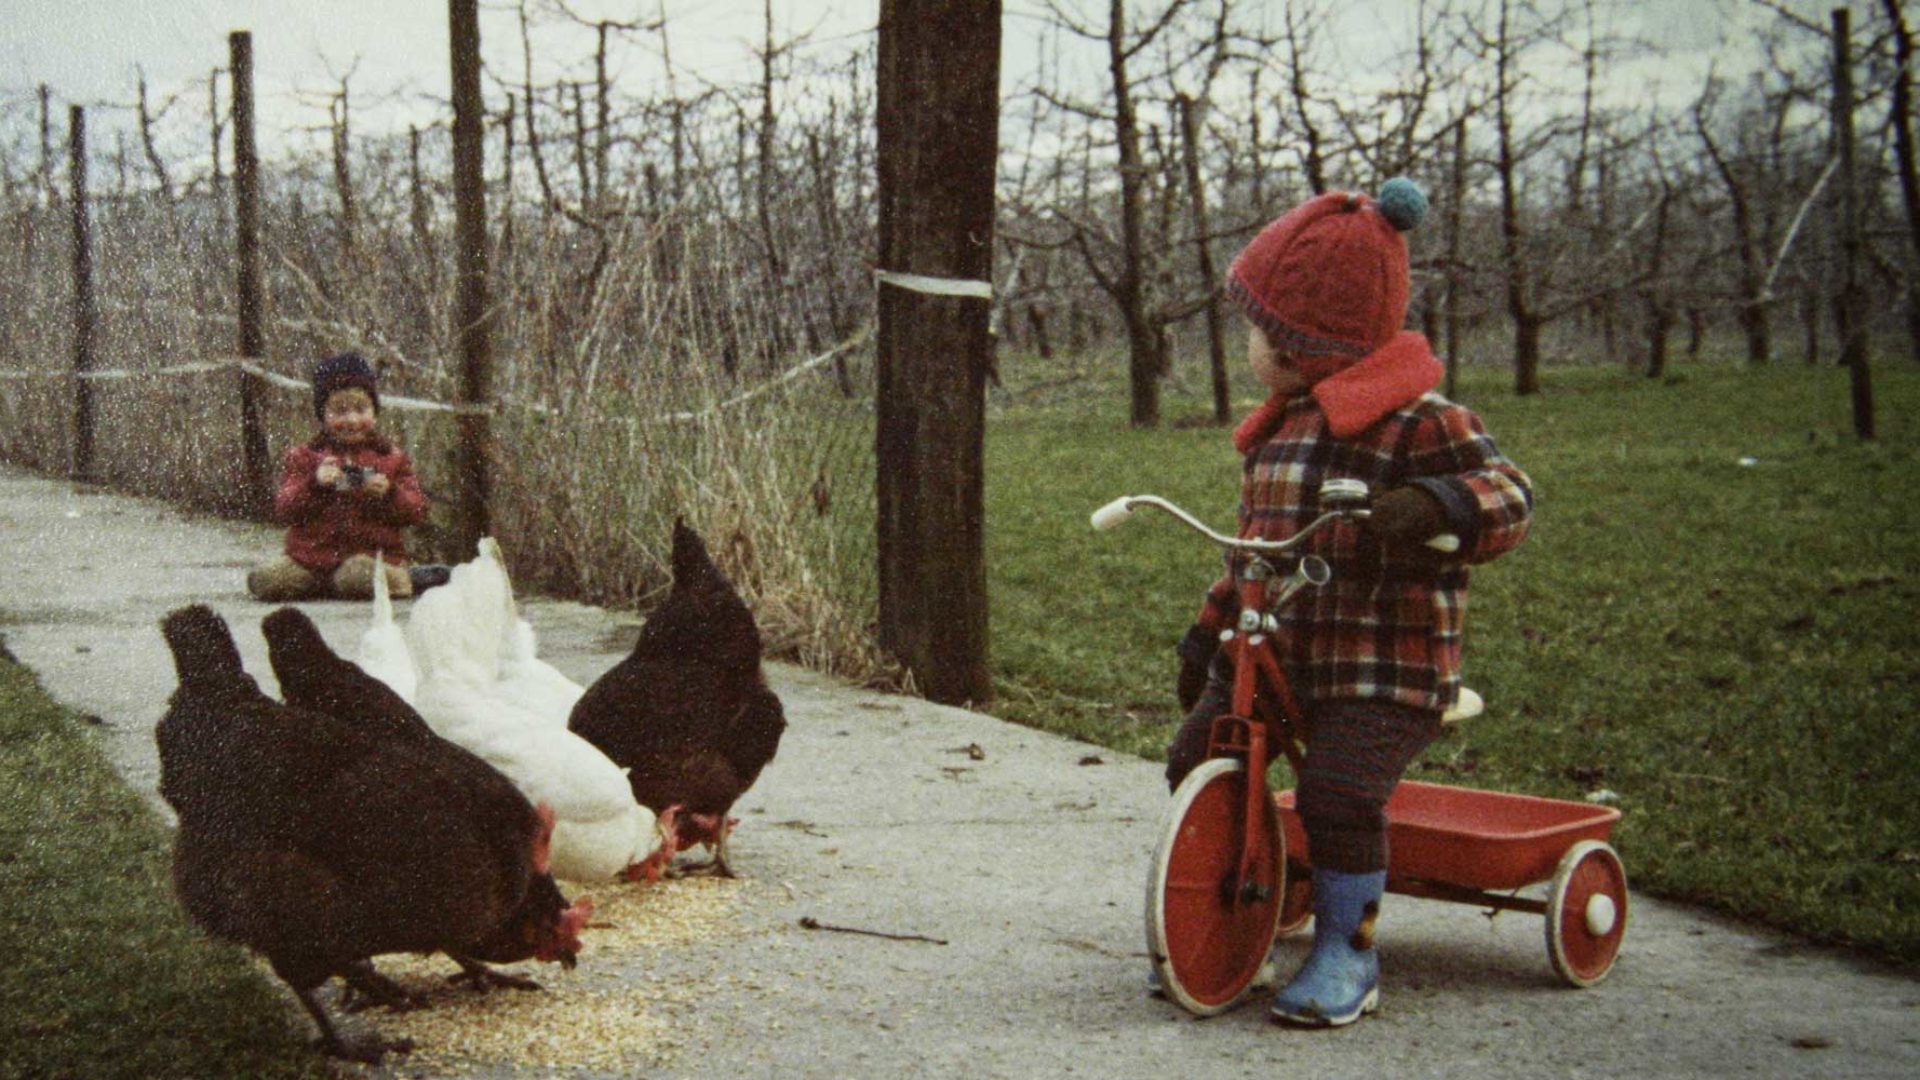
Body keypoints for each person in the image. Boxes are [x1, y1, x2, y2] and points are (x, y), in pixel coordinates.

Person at [1165, 178, 1533, 1027]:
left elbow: (1510, 495)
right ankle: (1237, 911)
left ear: (1302, 345)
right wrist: (1210, 625)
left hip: (1385, 663)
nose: (1250, 347)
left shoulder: (1422, 423)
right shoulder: (1285, 428)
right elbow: (1255, 549)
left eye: (1258, 331)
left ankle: (1349, 951)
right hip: (1285, 647)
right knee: (1198, 752)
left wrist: (1434, 506)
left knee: (1337, 793)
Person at [247, 352, 438, 602]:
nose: (352, 420)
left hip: (369, 558)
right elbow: (285, 508)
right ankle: (325, 584)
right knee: (267, 580)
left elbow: (417, 511)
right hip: (312, 561)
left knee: (356, 575)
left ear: (374, 411)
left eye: (361, 409)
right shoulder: (305, 457)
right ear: (322, 415)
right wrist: (314, 485)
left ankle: (401, 579)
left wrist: (390, 493)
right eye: (339, 411)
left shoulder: (392, 458)